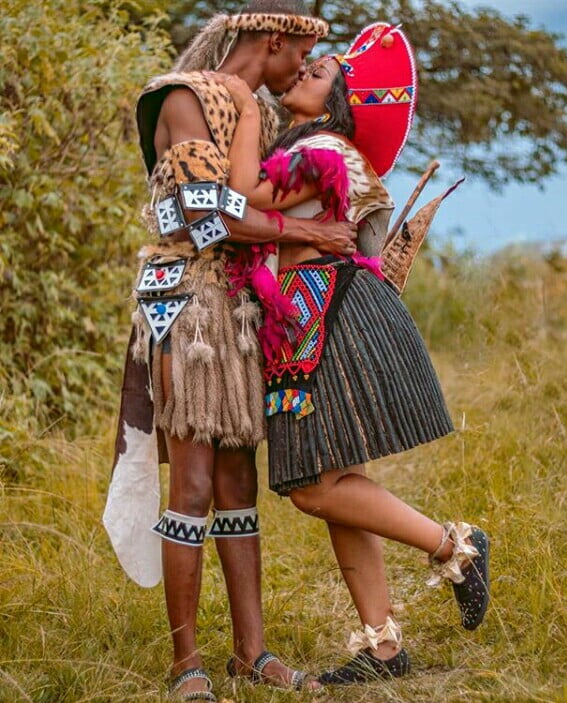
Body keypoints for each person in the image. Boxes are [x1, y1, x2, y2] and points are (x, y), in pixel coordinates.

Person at [215, 21, 490, 686]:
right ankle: (385, 646)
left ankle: (455, 546)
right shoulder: (309, 143)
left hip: (328, 317)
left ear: (336, 104)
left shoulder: (326, 153)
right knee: (340, 481)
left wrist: (246, 105)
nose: (301, 75)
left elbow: (240, 199)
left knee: (314, 486)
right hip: (314, 316)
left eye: (317, 74)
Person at [102, 2, 358, 700]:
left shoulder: (259, 114)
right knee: (190, 482)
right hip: (184, 301)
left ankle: (253, 653)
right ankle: (186, 665)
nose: (301, 72)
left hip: (239, 306)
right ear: (272, 40)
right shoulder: (182, 96)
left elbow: (251, 201)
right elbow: (206, 211)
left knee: (238, 484)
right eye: (297, 60)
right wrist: (298, 230)